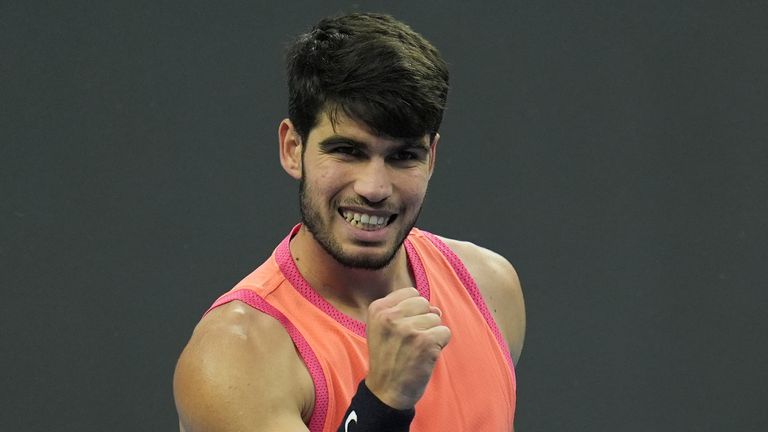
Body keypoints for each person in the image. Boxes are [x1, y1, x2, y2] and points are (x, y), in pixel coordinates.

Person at [173, 12, 525, 432]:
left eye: (402, 156)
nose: (374, 187)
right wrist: (383, 402)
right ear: (292, 148)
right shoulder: (234, 357)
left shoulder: (490, 286)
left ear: (431, 159)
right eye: (346, 150)